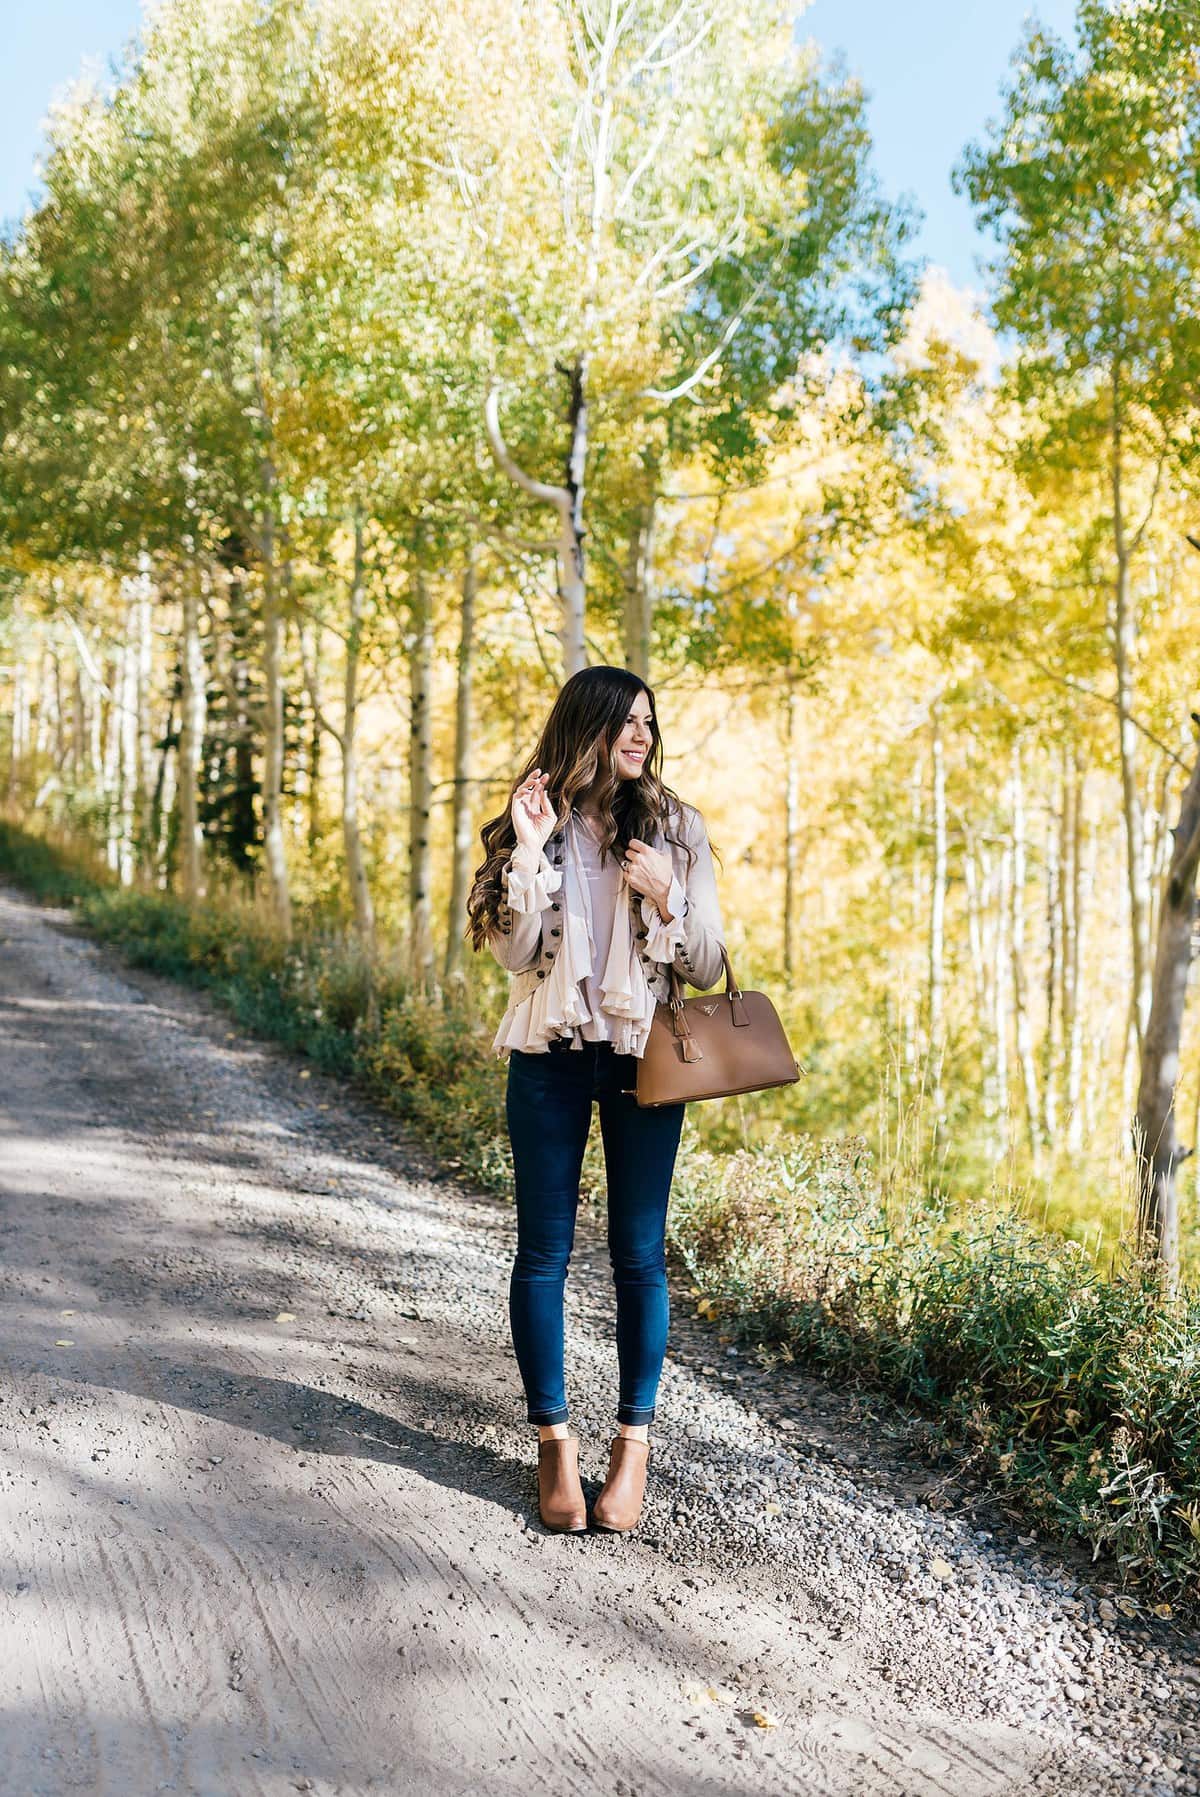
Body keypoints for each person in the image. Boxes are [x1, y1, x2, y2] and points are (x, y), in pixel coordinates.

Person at [467, 665, 727, 1535]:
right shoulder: (531, 818)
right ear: (588, 724)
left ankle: (632, 1448)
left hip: (640, 1058)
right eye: (628, 721)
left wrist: (667, 893)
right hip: (548, 1056)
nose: (643, 735)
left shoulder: (677, 828)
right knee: (542, 1252)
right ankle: (554, 1442)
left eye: (651, 722)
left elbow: (706, 963)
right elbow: (513, 956)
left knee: (638, 1255)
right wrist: (532, 851)